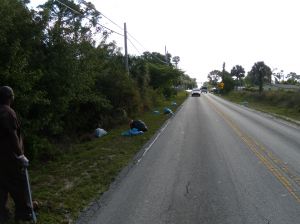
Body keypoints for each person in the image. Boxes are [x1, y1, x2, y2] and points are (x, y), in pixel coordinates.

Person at [0, 86, 32, 223]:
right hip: (9, 159)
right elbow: (13, 136)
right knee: (19, 185)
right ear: (10, 97)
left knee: (1, 188)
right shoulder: (8, 112)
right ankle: (23, 213)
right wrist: (20, 155)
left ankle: (3, 216)